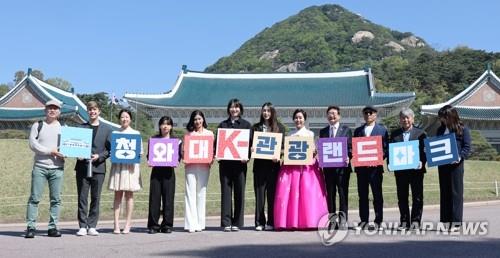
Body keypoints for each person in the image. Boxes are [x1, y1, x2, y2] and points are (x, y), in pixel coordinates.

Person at [274, 109, 328, 230]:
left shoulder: (310, 134)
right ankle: (292, 221)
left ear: (304, 119)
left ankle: (308, 220)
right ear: (293, 120)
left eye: (300, 118)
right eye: (296, 118)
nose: (298, 120)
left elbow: (314, 150)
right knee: (292, 194)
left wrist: (314, 151)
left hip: (307, 168)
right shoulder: (290, 136)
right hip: (292, 169)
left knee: (306, 194)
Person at [25, 100, 65, 238]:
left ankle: (53, 227)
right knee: (34, 198)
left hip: (57, 168)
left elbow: (69, 146)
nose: (52, 110)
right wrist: (50, 151)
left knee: (56, 199)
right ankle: (31, 226)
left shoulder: (64, 128)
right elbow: (32, 144)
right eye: (50, 108)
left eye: (55, 108)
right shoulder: (38, 125)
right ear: (45, 110)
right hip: (40, 167)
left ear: (59, 112)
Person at [75, 101, 112, 236]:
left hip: (99, 167)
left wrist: (100, 156)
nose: (92, 112)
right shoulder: (80, 127)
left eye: (95, 109)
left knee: (96, 197)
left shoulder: (107, 129)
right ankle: (82, 225)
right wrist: (76, 155)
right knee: (82, 197)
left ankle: (92, 225)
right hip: (82, 167)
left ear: (99, 111)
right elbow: (74, 146)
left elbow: (110, 150)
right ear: (87, 111)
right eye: (90, 109)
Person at [389, 107, 427, 230]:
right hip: (400, 172)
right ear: (399, 120)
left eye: (407, 117)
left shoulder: (421, 133)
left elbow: (424, 151)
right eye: (402, 118)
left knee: (417, 196)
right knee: (402, 197)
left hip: (416, 171)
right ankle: (404, 222)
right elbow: (391, 152)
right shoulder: (395, 134)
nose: (405, 120)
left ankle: (416, 222)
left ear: (412, 118)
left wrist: (422, 161)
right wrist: (390, 163)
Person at [217, 98, 252, 232]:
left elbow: (250, 145)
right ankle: (226, 222)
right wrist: (218, 155)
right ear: (228, 109)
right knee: (226, 193)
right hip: (225, 165)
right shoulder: (222, 125)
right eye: (232, 107)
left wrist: (247, 157)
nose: (234, 110)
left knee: (239, 192)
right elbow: (218, 144)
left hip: (240, 165)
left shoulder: (246, 125)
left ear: (240, 109)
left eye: (236, 107)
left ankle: (237, 222)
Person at [436, 105, 471, 232]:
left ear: (451, 117)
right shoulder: (440, 130)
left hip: (456, 166)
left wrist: (460, 157)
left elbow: (467, 147)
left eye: (444, 118)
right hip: (443, 166)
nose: (442, 120)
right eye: (441, 118)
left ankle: (456, 222)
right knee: (444, 192)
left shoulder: (462, 129)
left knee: (456, 193)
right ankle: (445, 221)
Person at [353, 106, 388, 230]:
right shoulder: (358, 131)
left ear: (375, 115)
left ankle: (378, 221)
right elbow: (354, 149)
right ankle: (364, 221)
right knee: (362, 195)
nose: (368, 115)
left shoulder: (382, 130)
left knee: (377, 195)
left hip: (375, 169)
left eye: (370, 113)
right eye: (366, 113)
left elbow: (385, 149)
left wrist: (378, 158)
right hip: (361, 169)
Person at [251, 102, 285, 231]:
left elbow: (283, 147)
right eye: (264, 110)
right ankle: (259, 222)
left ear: (272, 113)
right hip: (259, 167)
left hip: (273, 167)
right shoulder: (255, 128)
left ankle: (271, 221)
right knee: (259, 196)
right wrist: (251, 148)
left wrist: (279, 155)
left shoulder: (280, 128)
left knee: (272, 195)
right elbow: (250, 146)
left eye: (268, 111)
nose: (266, 113)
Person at [108, 109, 143, 234]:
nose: (125, 119)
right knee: (117, 195)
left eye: (127, 117)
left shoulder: (136, 133)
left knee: (129, 195)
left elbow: (140, 152)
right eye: (122, 117)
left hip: (131, 168)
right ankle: (116, 224)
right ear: (119, 119)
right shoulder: (115, 133)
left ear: (131, 119)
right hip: (118, 166)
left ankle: (128, 223)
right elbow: (112, 151)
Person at [319, 105, 352, 230]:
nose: (331, 116)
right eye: (329, 114)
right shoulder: (323, 131)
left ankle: (343, 221)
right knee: (330, 195)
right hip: (328, 170)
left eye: (334, 113)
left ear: (339, 116)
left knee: (343, 195)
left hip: (342, 169)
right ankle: (332, 222)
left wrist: (349, 156)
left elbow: (350, 147)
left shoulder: (346, 130)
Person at [183, 110, 214, 233]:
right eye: (195, 119)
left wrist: (211, 159)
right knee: (190, 193)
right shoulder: (189, 135)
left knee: (201, 192)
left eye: (199, 119)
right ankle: (191, 223)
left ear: (203, 120)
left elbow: (212, 150)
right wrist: (183, 155)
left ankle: (200, 223)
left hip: (204, 166)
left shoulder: (210, 134)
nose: (197, 121)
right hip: (190, 166)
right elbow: (183, 151)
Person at [147, 116, 176, 234]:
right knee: (155, 198)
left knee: (168, 199)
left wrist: (177, 160)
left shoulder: (175, 141)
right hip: (156, 171)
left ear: (171, 126)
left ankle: (167, 225)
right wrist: (149, 160)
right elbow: (149, 155)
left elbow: (178, 156)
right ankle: (153, 225)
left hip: (169, 172)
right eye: (163, 124)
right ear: (159, 126)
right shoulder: (153, 139)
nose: (165, 126)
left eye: (168, 124)